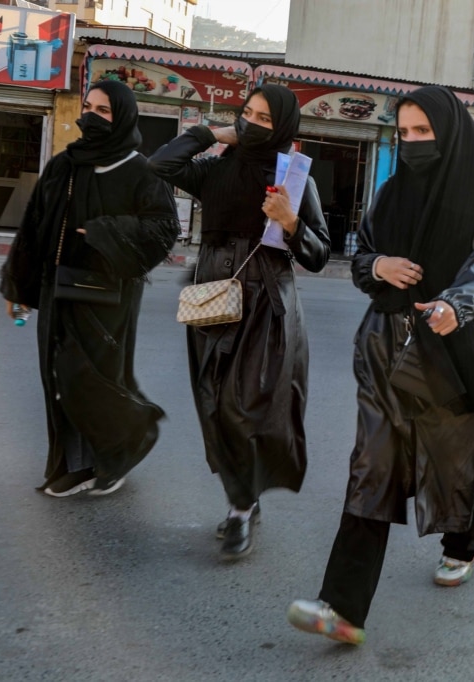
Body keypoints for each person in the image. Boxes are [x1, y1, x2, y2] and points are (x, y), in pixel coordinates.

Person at [287, 85, 474, 645]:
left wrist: (453, 304)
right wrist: (380, 265)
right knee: (373, 466)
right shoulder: (391, 192)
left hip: (450, 343)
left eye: (423, 132)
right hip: (385, 344)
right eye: (404, 133)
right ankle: (341, 609)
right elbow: (362, 255)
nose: (412, 143)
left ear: (450, 132)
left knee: (451, 456)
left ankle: (461, 543)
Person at [148, 84, 331, 561]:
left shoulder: (294, 179)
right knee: (213, 406)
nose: (251, 123)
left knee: (243, 408)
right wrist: (209, 132)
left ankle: (239, 509)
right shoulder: (215, 169)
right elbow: (159, 166)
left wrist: (290, 222)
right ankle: (242, 498)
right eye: (246, 113)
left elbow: (318, 254)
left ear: (285, 126)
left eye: (265, 119)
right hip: (212, 296)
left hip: (266, 302)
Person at [0, 80, 180, 498]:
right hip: (56, 287)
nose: (91, 117)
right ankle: (76, 464)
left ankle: (120, 446)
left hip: (107, 296)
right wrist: (20, 288)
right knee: (58, 377)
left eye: (104, 111)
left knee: (92, 381)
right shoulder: (64, 164)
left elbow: (164, 228)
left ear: (123, 119)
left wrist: (106, 231)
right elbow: (33, 226)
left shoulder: (141, 170)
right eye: (88, 107)